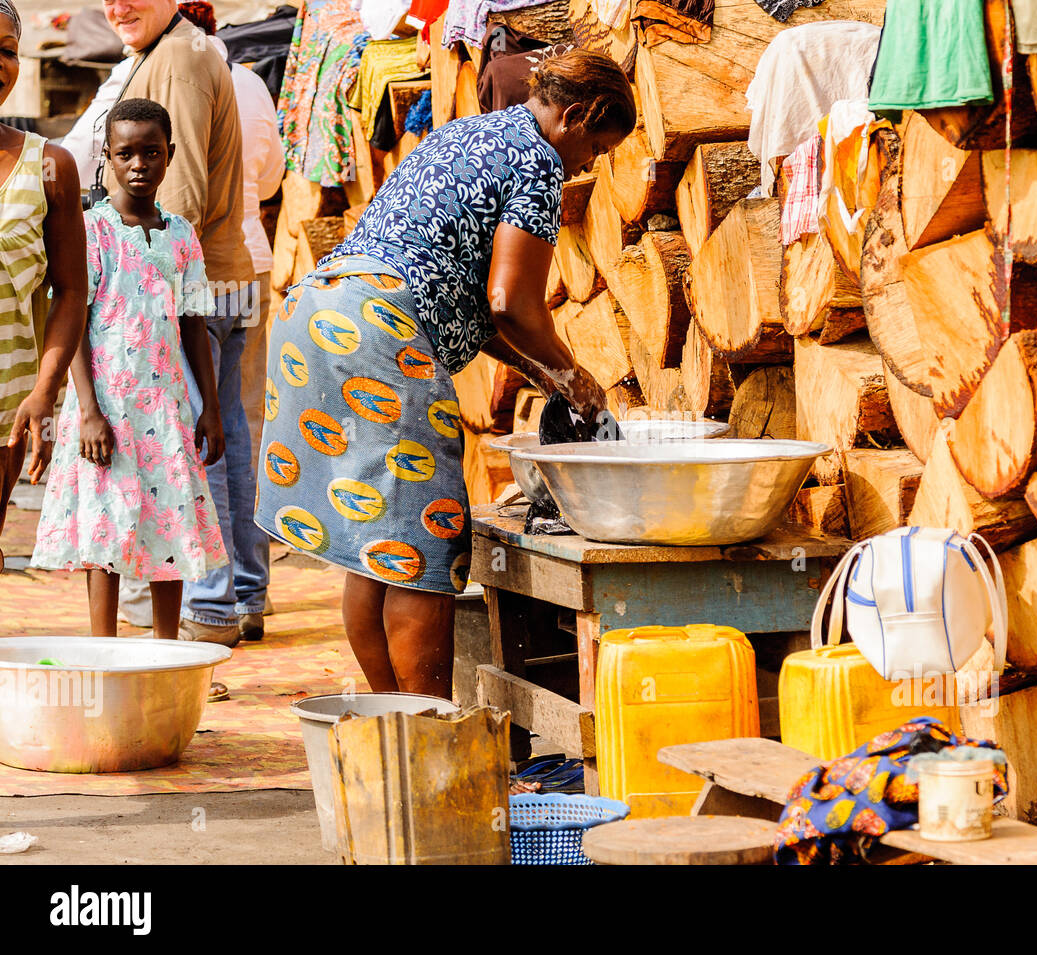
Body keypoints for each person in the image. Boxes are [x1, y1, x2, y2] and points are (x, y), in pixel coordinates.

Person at [255, 49, 635, 698]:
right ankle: (429, 738)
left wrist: (543, 376)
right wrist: (574, 378)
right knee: (420, 545)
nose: (586, 166)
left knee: (370, 538)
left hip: (317, 313)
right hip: (381, 332)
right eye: (596, 147)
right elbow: (510, 303)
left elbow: (476, 309)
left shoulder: (470, 130)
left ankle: (393, 725)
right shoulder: (538, 160)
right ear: (576, 116)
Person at [101, 0, 267, 647]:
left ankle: (214, 601)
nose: (118, 7)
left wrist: (151, 296)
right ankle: (243, 592)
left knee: (198, 442)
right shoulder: (177, 50)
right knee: (224, 430)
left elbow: (184, 193)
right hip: (224, 275)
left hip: (194, 285)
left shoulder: (178, 57)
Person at [30, 99, 228, 641]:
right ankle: (103, 652)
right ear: (108, 159)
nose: (139, 163)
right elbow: (71, 320)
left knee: (171, 525)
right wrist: (89, 411)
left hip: (164, 409)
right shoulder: (88, 230)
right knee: (106, 528)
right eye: (125, 154)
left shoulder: (182, 235)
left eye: (151, 152)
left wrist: (209, 407)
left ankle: (166, 652)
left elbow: (193, 325)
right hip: (105, 409)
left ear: (170, 156)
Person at [0, 0, 89, 567]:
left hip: (6, 407)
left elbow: (72, 290)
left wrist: (45, 391)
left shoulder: (49, 165)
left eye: (7, 51)